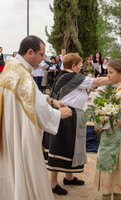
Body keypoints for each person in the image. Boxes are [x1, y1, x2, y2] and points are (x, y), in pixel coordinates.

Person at [0, 35, 72, 200]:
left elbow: (31, 95)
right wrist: (58, 114)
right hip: (21, 131)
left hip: (10, 129)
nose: (43, 58)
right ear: (30, 52)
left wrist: (51, 101)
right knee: (26, 167)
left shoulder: (12, 68)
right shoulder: (22, 75)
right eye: (42, 54)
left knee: (12, 168)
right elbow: (36, 106)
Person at [43, 53, 110, 195]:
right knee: (59, 147)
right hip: (66, 114)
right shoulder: (74, 77)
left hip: (64, 112)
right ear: (73, 66)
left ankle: (69, 176)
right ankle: (52, 183)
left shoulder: (63, 75)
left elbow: (76, 91)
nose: (81, 68)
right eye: (79, 65)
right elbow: (97, 82)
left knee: (69, 147)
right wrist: (113, 77)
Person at [94, 59, 121, 200]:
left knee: (113, 169)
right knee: (111, 169)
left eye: (111, 72)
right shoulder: (115, 90)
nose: (108, 75)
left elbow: (116, 119)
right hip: (112, 133)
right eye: (108, 72)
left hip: (117, 135)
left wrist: (100, 122)